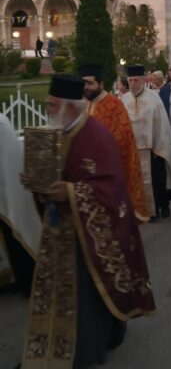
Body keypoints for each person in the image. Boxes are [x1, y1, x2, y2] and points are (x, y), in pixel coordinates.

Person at [20, 74, 155, 369]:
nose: (47, 110)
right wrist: (37, 184)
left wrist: (70, 192)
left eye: (52, 105)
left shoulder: (96, 135)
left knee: (88, 293)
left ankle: (84, 349)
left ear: (69, 108)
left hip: (87, 234)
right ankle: (51, 346)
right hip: (59, 229)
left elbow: (111, 188)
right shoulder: (56, 132)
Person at [79, 64, 149, 223]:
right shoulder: (84, 104)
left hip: (108, 170)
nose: (86, 87)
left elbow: (123, 140)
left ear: (101, 84)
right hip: (87, 171)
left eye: (90, 83)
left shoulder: (113, 104)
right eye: (83, 83)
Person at [122, 65, 171, 219]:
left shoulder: (154, 97)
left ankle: (162, 206)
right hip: (134, 149)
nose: (133, 84)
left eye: (136, 80)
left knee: (157, 181)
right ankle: (142, 209)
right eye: (130, 81)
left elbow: (162, 123)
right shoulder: (124, 99)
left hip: (152, 149)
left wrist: (158, 146)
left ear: (143, 80)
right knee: (137, 181)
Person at [0, 112, 40, 296]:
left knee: (17, 231)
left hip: (9, 184)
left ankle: (28, 281)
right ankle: (19, 278)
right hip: (5, 184)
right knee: (9, 234)